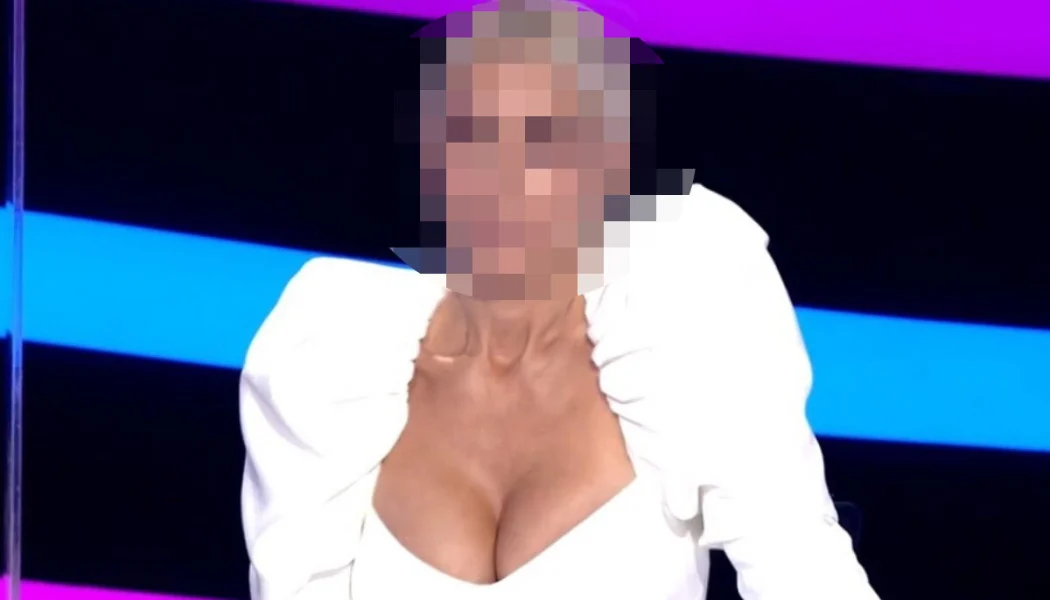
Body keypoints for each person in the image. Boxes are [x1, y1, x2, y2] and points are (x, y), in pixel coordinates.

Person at [239, 1, 881, 598]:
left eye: (544, 137)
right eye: (472, 130)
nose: (502, 172)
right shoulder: (335, 366)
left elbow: (802, 570)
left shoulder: (673, 323)